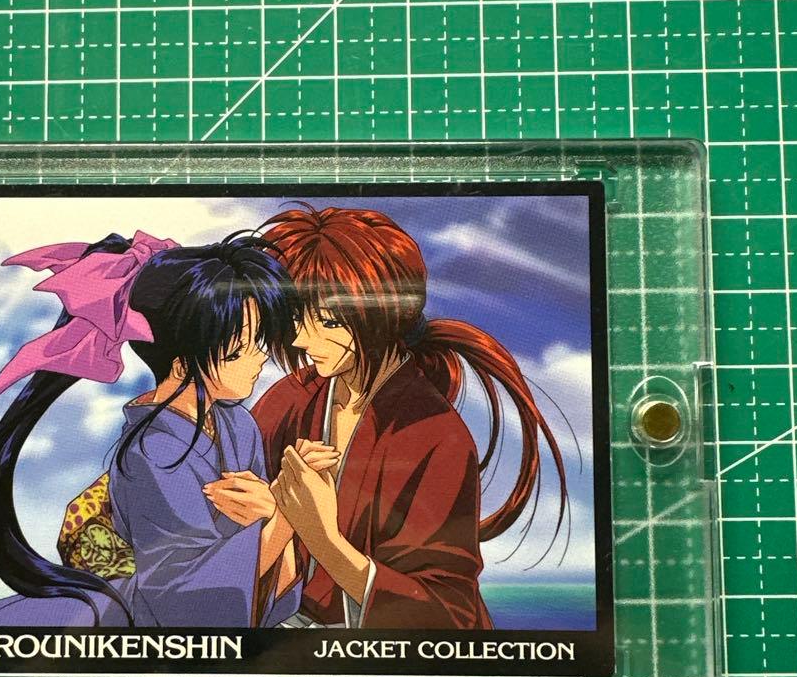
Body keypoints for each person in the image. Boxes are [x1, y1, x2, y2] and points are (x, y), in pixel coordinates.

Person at [205, 205, 567, 630]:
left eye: (327, 321)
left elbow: (447, 616)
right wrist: (272, 513)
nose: (301, 338)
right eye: (295, 317)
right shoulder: (290, 398)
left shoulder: (436, 436)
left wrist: (322, 537)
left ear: (381, 315)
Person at [0, 231, 308, 628]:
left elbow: (265, 586)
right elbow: (182, 604)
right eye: (237, 350)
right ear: (182, 364)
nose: (260, 358)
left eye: (259, 341)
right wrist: (285, 515)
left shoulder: (239, 426)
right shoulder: (154, 451)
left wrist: (278, 515)